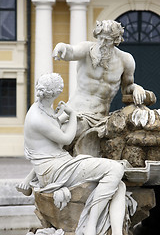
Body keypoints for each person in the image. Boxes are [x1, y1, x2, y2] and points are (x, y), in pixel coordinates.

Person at [17, 73, 126, 235]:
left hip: (58, 164)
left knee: (119, 185)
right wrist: (73, 114)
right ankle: (90, 225)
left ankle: (116, 232)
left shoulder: (41, 109)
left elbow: (49, 143)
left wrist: (63, 117)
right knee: (115, 169)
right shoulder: (37, 118)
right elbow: (66, 139)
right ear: (55, 93)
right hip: (55, 171)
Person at [53, 20, 147, 119]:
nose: (102, 43)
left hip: (100, 115)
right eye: (100, 38)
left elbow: (127, 87)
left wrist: (136, 88)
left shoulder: (125, 60)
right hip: (76, 109)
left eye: (107, 40)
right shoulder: (86, 49)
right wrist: (62, 47)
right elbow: (72, 52)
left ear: (116, 40)